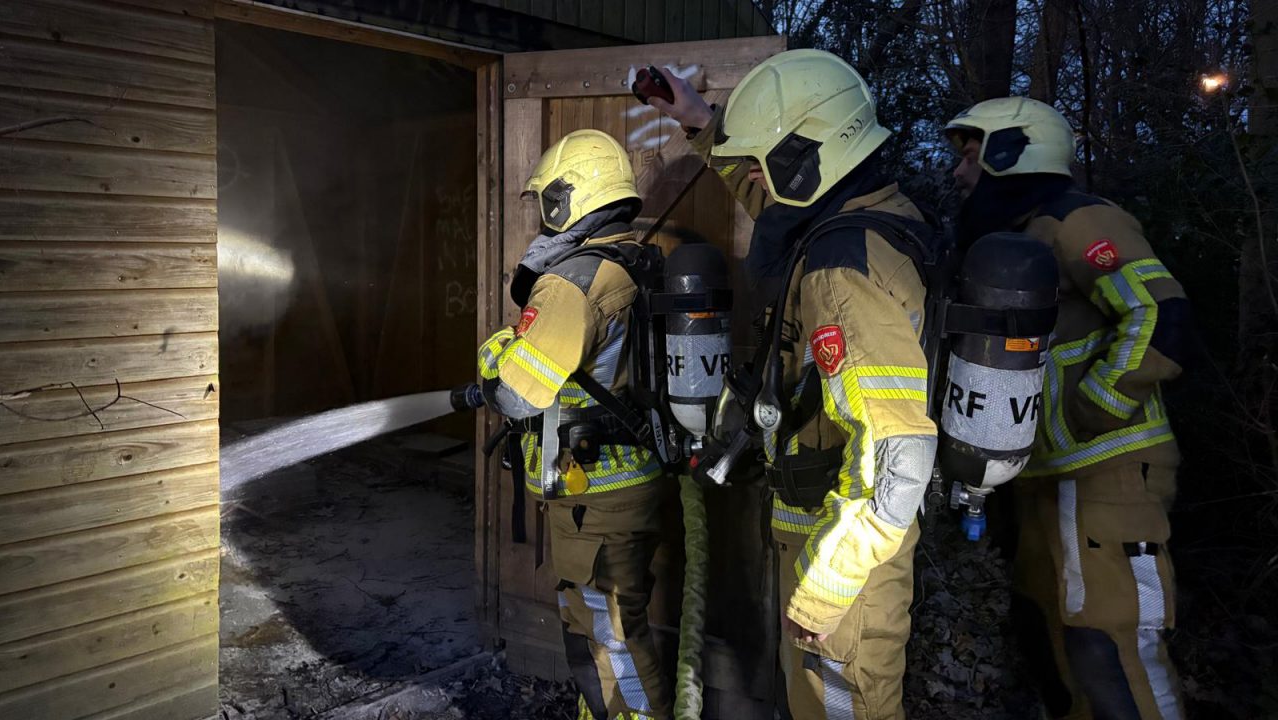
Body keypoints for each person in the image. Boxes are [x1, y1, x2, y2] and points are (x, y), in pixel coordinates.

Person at [650, 49, 936, 719]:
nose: (752, 177)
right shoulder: (866, 210)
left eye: (764, 159)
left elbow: (900, 451)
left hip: (843, 566)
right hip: (834, 540)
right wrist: (697, 119)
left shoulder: (841, 273)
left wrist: (826, 588)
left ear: (811, 154)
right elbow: (767, 191)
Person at [945, 96, 1190, 720]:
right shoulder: (1017, 235)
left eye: (971, 155)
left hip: (1108, 474)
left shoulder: (1077, 222)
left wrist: (1098, 405)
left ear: (1011, 152)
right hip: (1043, 479)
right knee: (1056, 638)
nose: (958, 172)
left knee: (1110, 646)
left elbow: (1157, 310)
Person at [477, 129, 671, 720]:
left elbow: (514, 394)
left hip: (597, 497)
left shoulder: (573, 281)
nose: (543, 214)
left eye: (547, 200)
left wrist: (495, 350)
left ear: (569, 198)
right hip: (628, 484)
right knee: (609, 628)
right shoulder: (633, 261)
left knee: (608, 636)